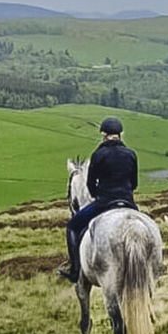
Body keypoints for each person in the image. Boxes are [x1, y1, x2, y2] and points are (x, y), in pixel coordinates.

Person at [59, 117, 138, 283]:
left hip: (104, 202)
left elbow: (90, 184)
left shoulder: (99, 154)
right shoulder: (131, 155)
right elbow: (134, 184)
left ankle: (74, 270)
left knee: (72, 227)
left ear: (104, 134)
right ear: (120, 135)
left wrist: (98, 195)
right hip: (129, 203)